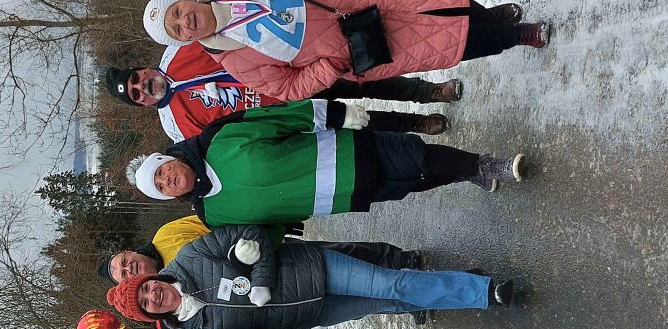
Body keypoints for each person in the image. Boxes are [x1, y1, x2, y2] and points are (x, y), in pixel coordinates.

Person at [105, 224, 514, 329]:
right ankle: (463, 283)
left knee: (393, 283)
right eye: (145, 303)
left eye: (146, 288)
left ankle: (483, 291)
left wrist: (258, 276)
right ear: (150, 314)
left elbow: (252, 235)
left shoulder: (191, 257)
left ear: (150, 279)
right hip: (312, 315)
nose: (152, 296)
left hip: (313, 269)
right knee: (389, 302)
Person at [126, 101, 524, 236]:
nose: (168, 179)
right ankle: (467, 172)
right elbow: (267, 230)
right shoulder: (212, 215)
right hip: (338, 196)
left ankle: (487, 165)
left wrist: (335, 113)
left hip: (343, 150)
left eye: (161, 171)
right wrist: (257, 247)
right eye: (161, 186)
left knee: (415, 155)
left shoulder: (218, 138)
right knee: (412, 182)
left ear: (168, 158)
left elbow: (280, 118)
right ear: (169, 196)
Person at [140, 0, 548, 101]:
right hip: (360, 43)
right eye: (176, 29)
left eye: (177, 11)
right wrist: (330, 66)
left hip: (358, 4)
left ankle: (491, 16)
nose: (184, 20)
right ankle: (514, 36)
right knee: (448, 45)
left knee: (441, 6)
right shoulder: (234, 59)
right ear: (184, 40)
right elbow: (288, 88)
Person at [105, 44, 459, 142]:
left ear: (142, 69)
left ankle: (429, 91)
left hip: (289, 73)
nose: (142, 87)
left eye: (136, 79)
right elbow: (223, 139)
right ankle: (416, 124)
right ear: (142, 104)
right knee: (357, 121)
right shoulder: (176, 126)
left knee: (362, 82)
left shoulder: (178, 51)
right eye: (136, 94)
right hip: (285, 113)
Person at [96, 215, 424, 285]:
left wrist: (271, 223)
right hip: (266, 286)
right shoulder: (162, 293)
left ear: (129, 252)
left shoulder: (166, 233)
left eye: (124, 261)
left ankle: (399, 259)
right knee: (343, 285)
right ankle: (404, 295)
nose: (129, 268)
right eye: (123, 274)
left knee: (338, 253)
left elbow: (220, 220)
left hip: (267, 251)